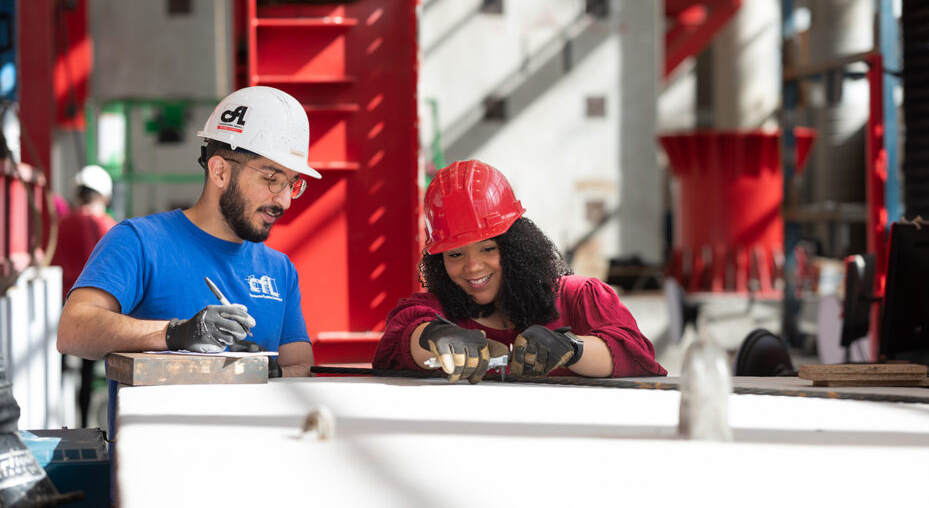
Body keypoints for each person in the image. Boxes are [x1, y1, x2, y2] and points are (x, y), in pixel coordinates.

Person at [57, 86, 321, 377]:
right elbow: (73, 329)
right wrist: (177, 333)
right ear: (220, 171)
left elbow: (300, 366)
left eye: (292, 184)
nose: (284, 200)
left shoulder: (280, 270)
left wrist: (265, 371)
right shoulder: (140, 242)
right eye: (272, 179)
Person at [373, 159, 667, 383]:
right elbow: (400, 338)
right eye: (456, 254)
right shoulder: (437, 310)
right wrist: (435, 337)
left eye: (488, 249)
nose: (473, 267)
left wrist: (570, 347)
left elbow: (635, 354)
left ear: (515, 247)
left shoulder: (577, 297)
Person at [52, 165, 117, 427]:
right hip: (96, 309)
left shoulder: (62, 224)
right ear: (104, 195)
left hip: (61, 305)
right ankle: (83, 422)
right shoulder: (111, 228)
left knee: (61, 368)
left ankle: (58, 418)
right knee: (90, 371)